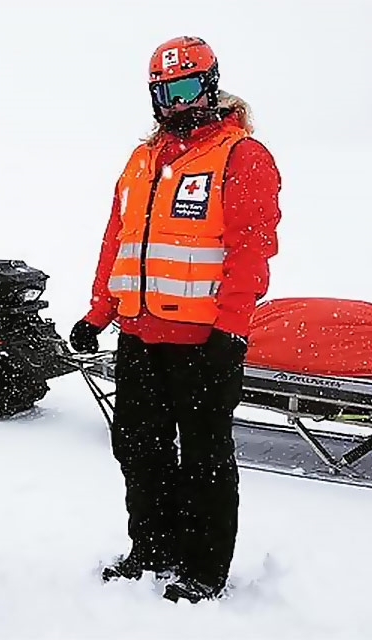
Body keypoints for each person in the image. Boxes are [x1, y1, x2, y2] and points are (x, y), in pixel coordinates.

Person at [70, 36, 282, 603]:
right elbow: (118, 244)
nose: (176, 103)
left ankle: (204, 569)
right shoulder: (141, 161)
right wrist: (99, 313)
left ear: (210, 87)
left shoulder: (241, 156)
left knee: (205, 458)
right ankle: (152, 550)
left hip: (203, 342)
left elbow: (250, 251)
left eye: (186, 88)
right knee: (139, 449)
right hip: (139, 336)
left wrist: (229, 330)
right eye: (164, 92)